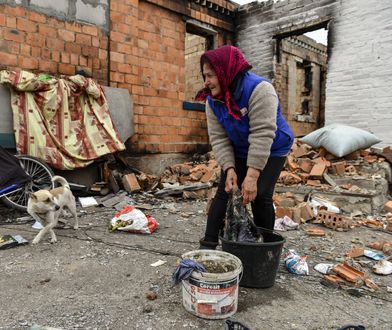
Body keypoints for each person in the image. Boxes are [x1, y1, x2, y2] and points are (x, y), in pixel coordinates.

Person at [196, 45, 294, 250]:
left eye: (210, 75)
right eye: (204, 75)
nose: (206, 82)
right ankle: (208, 246)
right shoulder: (212, 101)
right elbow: (219, 138)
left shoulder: (260, 90)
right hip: (240, 147)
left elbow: (262, 134)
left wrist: (252, 176)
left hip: (273, 147)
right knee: (226, 191)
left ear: (225, 71)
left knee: (260, 195)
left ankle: (266, 250)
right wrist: (229, 168)